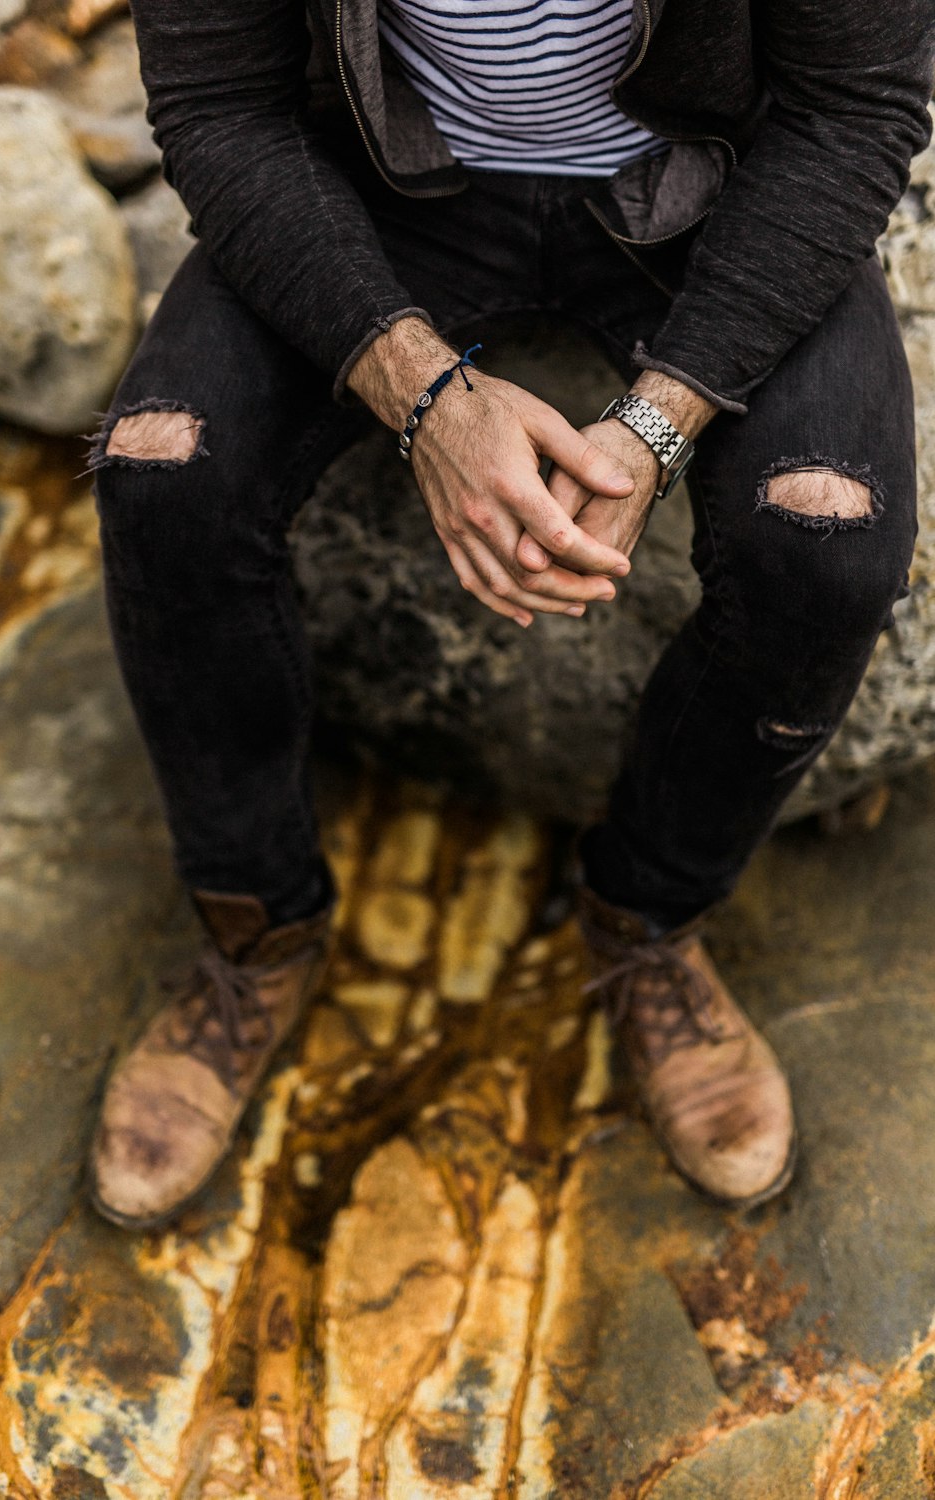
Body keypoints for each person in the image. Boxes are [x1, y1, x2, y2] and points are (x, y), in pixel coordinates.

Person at [85, 0, 934, 1230]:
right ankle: (254, 930)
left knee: (827, 536)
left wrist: (656, 423)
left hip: (704, 189)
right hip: (376, 180)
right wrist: (424, 395)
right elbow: (222, 105)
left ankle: (645, 918)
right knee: (166, 473)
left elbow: (852, 109)